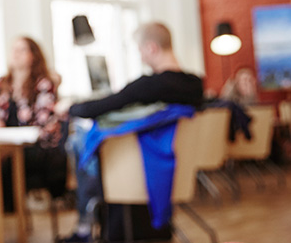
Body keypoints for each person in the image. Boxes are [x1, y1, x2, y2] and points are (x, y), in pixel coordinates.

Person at [61, 22, 204, 243]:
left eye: (139, 50)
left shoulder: (148, 86)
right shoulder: (196, 85)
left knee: (80, 141)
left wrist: (69, 107)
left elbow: (99, 107)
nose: (140, 56)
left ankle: (84, 226)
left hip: (132, 177)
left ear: (151, 48)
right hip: (176, 171)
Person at [0, 36, 68, 212]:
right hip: (4, 147)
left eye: (22, 49)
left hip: (35, 149)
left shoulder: (43, 84)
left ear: (33, 55)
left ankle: (5, 215)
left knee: (6, 161)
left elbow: (43, 125)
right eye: (14, 49)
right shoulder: (2, 84)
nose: (16, 53)